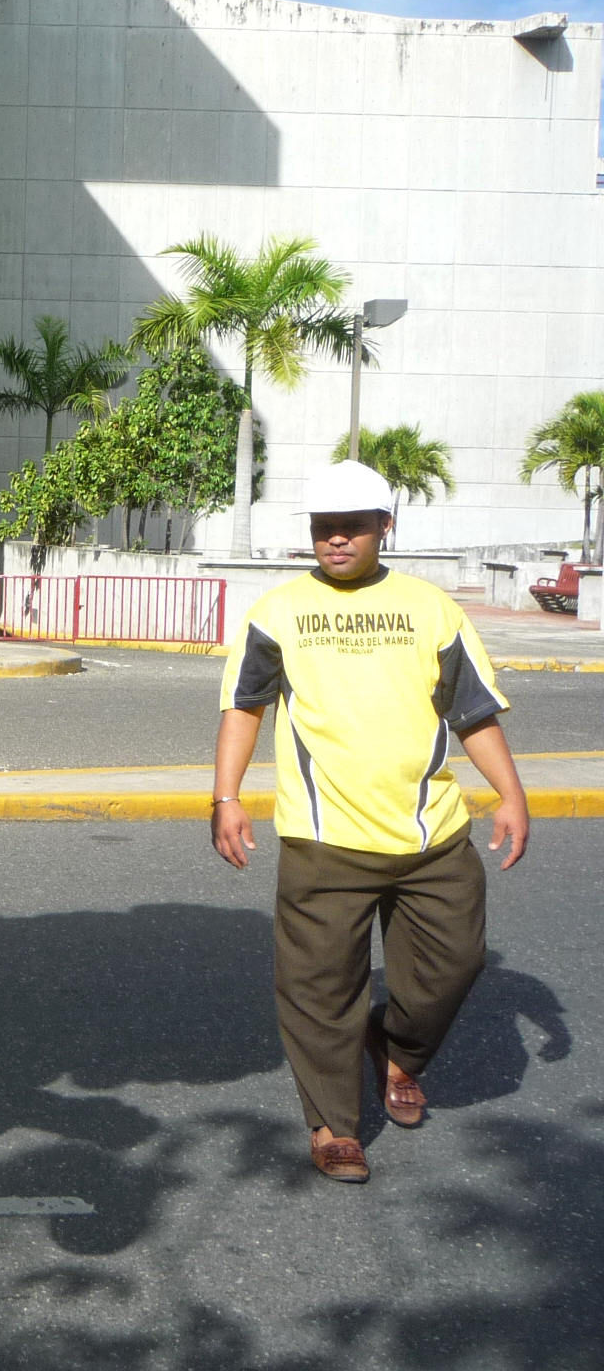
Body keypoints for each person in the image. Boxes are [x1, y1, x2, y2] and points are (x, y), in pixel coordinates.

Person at [212, 460, 530, 1183]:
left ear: (386, 528)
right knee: (319, 987)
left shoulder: (431, 608)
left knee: (455, 963)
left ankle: (396, 1051)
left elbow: (473, 710)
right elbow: (244, 707)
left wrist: (510, 793)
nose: (336, 540)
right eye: (324, 528)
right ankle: (333, 1124)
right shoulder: (278, 611)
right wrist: (225, 796)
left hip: (431, 833)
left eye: (352, 526)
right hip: (325, 838)